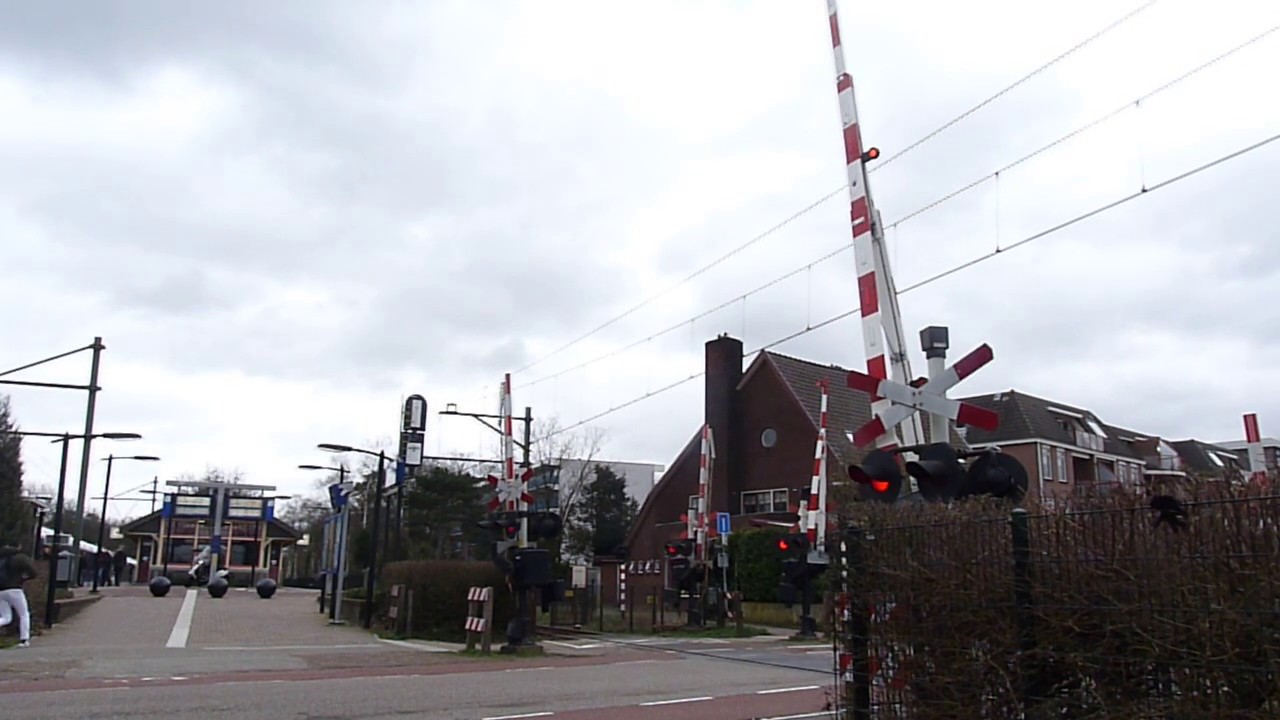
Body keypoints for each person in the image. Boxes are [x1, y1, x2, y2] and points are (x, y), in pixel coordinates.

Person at [0, 545, 37, 648]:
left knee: (5, 617)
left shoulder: (1, 558)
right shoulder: (19, 558)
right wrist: (23, 578)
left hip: (0, 591)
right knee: (24, 614)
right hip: (15, 589)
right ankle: (24, 639)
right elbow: (33, 572)